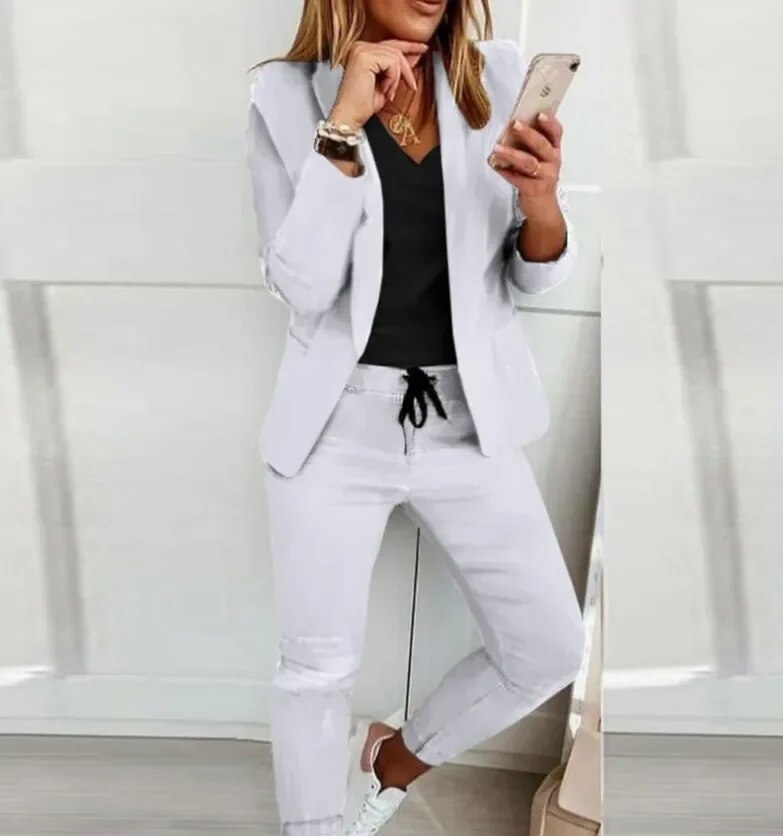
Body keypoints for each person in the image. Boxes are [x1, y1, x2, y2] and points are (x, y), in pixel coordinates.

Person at [245, 0, 585, 833]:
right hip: (334, 426)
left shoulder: (497, 78)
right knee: (315, 670)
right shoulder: (284, 95)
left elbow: (529, 274)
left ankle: (396, 758)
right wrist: (341, 129)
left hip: (469, 419)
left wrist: (542, 203)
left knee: (547, 647)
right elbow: (302, 287)